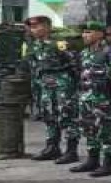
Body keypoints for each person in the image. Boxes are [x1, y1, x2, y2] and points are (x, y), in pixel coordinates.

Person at [68, 22, 111, 177]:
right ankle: (92, 159)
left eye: (88, 32)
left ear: (100, 34)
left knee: (105, 130)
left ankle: (109, 163)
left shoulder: (110, 52)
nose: (84, 35)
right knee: (88, 128)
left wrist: (108, 85)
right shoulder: (85, 52)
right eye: (83, 32)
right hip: (86, 96)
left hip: (103, 97)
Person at [25, 15, 81, 164]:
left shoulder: (59, 43)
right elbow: (31, 66)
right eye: (31, 27)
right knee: (49, 115)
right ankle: (52, 147)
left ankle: (71, 150)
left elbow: (75, 63)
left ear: (47, 26)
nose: (33, 29)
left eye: (37, 26)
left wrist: (74, 84)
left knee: (67, 115)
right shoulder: (33, 45)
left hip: (62, 82)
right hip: (43, 84)